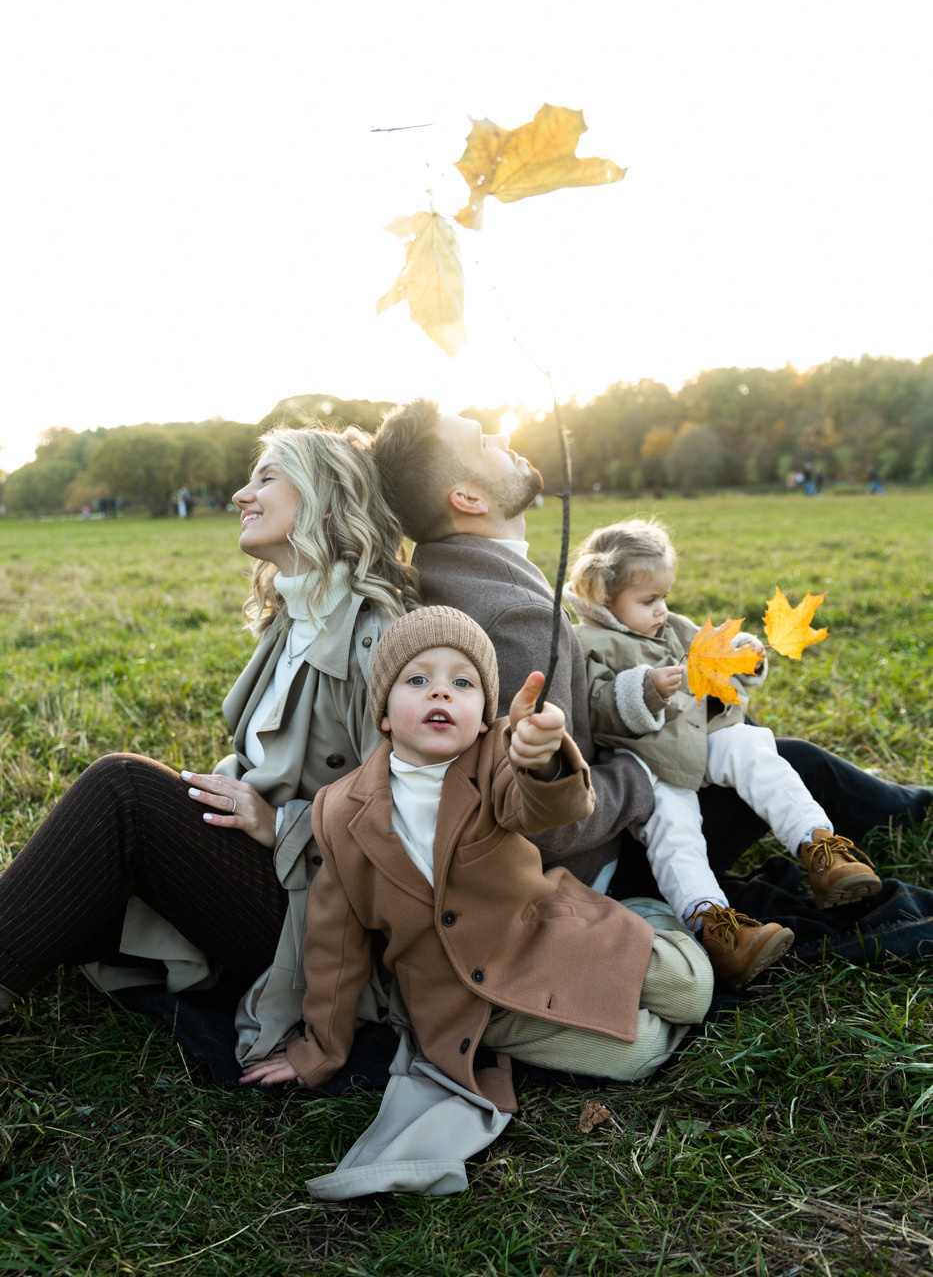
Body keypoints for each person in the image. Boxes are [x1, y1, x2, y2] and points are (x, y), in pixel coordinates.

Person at [371, 399, 930, 906]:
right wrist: (641, 774)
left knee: (739, 733)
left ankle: (890, 807)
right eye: (483, 442)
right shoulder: (509, 617)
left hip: (603, 815)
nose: (502, 439)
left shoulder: (451, 574)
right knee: (794, 761)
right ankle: (916, 812)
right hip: (601, 864)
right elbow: (542, 821)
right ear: (466, 498)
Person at [0, 425, 418, 1059]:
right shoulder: (295, 616)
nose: (239, 494)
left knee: (124, 790)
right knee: (91, 859)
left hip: (324, 922)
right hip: (274, 882)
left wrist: (281, 823)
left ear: (326, 500)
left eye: (266, 477)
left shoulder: (378, 636)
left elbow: (414, 823)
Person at [242, 606, 712, 1104]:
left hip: (546, 939)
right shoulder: (338, 813)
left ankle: (646, 919)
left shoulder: (494, 758)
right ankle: (615, 989)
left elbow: (547, 808)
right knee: (638, 1052)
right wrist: (320, 1049)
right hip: (472, 1002)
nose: (441, 692)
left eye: (463, 684)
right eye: (418, 679)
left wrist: (542, 760)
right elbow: (333, 949)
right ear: (382, 712)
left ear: (486, 718)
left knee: (692, 990)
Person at [563, 518, 882, 985]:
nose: (661, 609)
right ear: (602, 598)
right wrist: (644, 689)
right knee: (674, 830)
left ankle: (820, 849)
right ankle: (717, 927)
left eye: (665, 597)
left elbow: (716, 658)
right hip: (645, 761)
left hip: (702, 737)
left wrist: (743, 656)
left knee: (754, 749)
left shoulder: (673, 627)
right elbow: (598, 708)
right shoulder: (590, 643)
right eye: (648, 600)